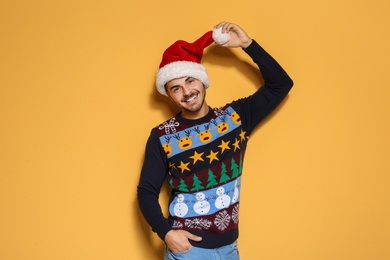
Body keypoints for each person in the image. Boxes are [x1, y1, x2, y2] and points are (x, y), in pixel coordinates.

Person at [137, 21, 293, 259]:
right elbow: (146, 191)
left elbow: (281, 85)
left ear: (202, 81)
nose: (187, 92)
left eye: (190, 80)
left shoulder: (235, 118)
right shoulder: (162, 135)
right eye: (175, 88)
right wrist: (166, 232)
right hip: (187, 252)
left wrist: (247, 45)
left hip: (230, 249)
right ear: (169, 95)